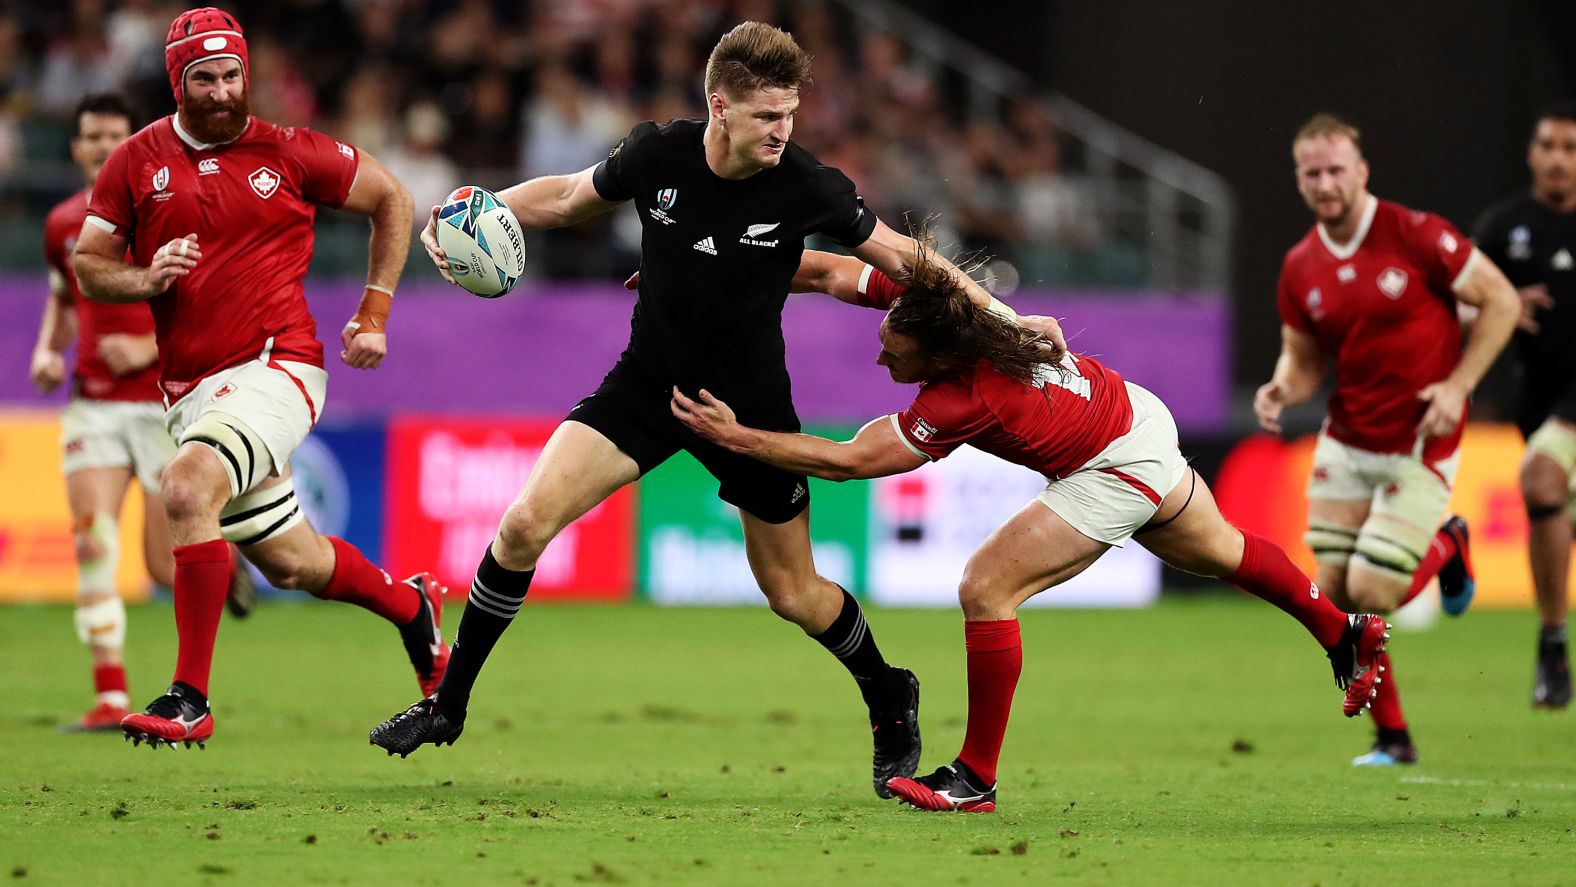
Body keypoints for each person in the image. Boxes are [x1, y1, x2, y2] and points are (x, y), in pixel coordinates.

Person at [370, 21, 1064, 799]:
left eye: (790, 113)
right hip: (646, 385)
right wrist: (475, 211)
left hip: (749, 408)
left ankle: (886, 688)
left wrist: (1005, 321)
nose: (783, 130)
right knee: (525, 522)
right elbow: (566, 198)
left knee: (794, 595)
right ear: (720, 106)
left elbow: (906, 260)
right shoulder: (657, 154)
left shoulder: (808, 183)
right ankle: (449, 704)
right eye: (767, 115)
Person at [670, 246, 1391, 813]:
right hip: (1133, 411)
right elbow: (826, 267)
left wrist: (739, 438)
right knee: (1221, 551)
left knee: (986, 586)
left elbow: (848, 461)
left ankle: (975, 778)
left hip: (1115, 462)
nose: (883, 350)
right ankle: (1342, 631)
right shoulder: (938, 310)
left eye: (896, 349)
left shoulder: (963, 395)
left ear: (938, 358)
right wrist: (709, 273)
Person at [71, 8, 444, 749]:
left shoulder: (293, 151)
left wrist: (374, 311)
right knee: (295, 561)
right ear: (178, 81)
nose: (220, 90)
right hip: (193, 391)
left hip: (280, 365)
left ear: (248, 74)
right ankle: (413, 609)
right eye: (203, 77)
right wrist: (146, 278)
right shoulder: (134, 162)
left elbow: (392, 199)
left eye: (231, 74)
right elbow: (89, 263)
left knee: (185, 485)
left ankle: (189, 697)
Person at [1254, 114, 1520, 765]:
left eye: (1336, 169)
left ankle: (1450, 542)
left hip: (1420, 440)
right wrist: (1281, 387)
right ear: (1299, 179)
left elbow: (1503, 301)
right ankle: (1394, 737)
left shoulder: (1416, 233)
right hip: (1347, 437)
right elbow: (1305, 360)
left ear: (1361, 170)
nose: (1325, 183)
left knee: (1378, 592)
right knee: (1340, 597)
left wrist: (1458, 385)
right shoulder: (1300, 266)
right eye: (1312, 173)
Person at [31, 92, 254, 734]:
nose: (102, 147)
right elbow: (63, 295)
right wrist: (50, 349)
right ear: (76, 147)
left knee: (163, 566)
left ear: (137, 142)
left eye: (114, 136)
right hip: (93, 406)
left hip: (163, 404)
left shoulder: (173, 211)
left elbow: (215, 299)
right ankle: (109, 693)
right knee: (92, 538)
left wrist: (144, 345)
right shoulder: (62, 225)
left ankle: (229, 563)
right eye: (91, 136)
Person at [1474, 102, 1576, 709]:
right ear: (1532, 154)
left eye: (1570, 147)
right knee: (1548, 497)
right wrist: (1505, 298)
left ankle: (1550, 642)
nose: (1560, 160)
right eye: (1549, 147)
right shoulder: (1503, 226)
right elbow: (1456, 296)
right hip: (1536, 396)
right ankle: (1552, 641)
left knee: (1540, 480)